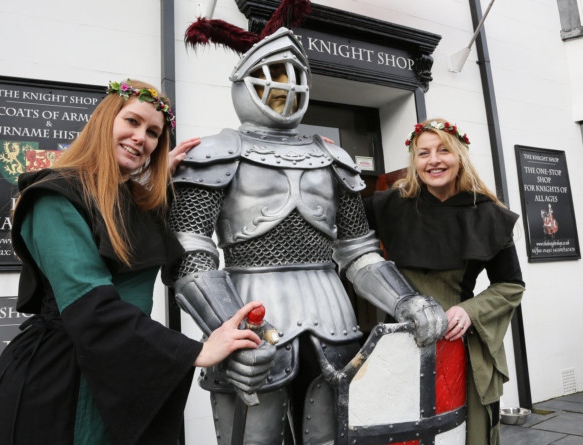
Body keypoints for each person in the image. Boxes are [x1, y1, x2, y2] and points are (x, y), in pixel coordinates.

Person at [167, 13, 448, 443]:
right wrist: (230, 328)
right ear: (244, 83)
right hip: (248, 314)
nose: (284, 85)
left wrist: (405, 301)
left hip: (334, 321)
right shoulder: (215, 153)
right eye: (273, 75)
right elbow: (191, 249)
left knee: (331, 437)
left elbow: (359, 251)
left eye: (291, 74)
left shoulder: (334, 158)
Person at [0, 79, 269, 445]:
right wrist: (198, 351)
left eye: (153, 133)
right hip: (63, 378)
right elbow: (92, 308)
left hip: (121, 363)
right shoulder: (55, 198)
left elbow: (141, 221)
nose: (141, 137)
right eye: (131, 121)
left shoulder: (131, 199)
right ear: (104, 122)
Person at [363, 118, 525, 445]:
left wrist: (469, 311)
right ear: (415, 161)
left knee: (464, 433)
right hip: (399, 340)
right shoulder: (387, 205)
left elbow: (510, 285)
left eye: (443, 151)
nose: (433, 160)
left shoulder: (488, 215)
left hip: (459, 340)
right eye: (423, 153)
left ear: (459, 156)